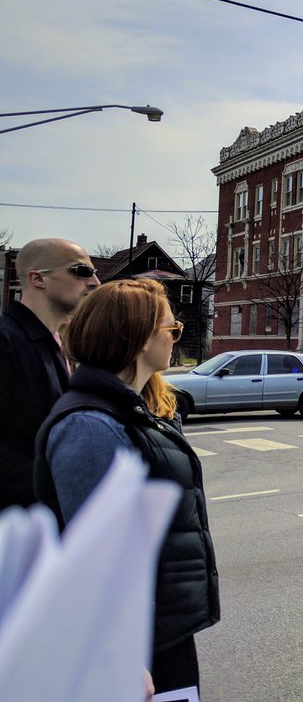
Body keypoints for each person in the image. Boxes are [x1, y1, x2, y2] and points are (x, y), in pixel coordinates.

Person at [33, 279, 219, 697]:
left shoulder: (137, 408)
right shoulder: (90, 426)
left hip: (160, 629)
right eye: (172, 330)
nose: (176, 339)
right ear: (138, 338)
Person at [0, 238, 102, 511]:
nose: (94, 283)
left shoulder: (55, 345)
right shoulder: (6, 341)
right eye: (82, 271)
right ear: (38, 278)